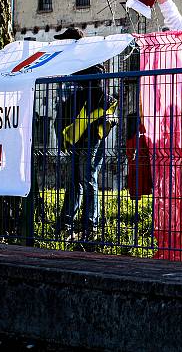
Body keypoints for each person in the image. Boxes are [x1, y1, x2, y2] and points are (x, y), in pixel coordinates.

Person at [54, 26, 117, 246]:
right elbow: (64, 106)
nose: (63, 45)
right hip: (74, 132)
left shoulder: (92, 65)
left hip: (89, 133)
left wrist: (78, 117)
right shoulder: (72, 67)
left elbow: (98, 98)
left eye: (66, 41)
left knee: (87, 178)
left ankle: (91, 227)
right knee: (75, 180)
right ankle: (66, 225)